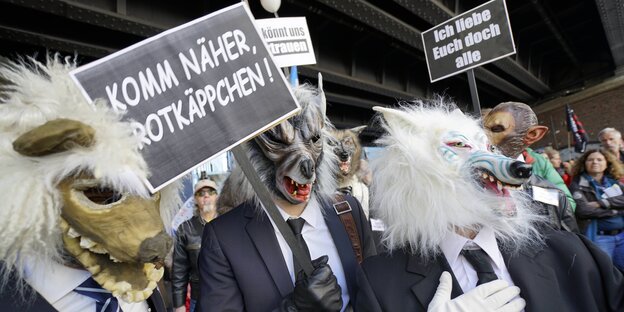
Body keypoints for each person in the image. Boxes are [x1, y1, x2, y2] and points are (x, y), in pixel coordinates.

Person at [355, 103, 623, 312]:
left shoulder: (572, 253)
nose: (486, 154)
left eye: (485, 146)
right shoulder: (379, 281)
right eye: (460, 145)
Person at [197, 76, 376, 312]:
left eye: (312, 139)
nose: (306, 161)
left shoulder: (348, 211)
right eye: (279, 142)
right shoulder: (223, 238)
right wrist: (293, 309)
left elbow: (374, 295)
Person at [483, 102, 578, 231]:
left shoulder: (552, 191)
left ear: (533, 134)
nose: (484, 137)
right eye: (480, 130)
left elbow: (569, 240)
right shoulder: (463, 182)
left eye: (496, 129)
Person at [569, 149, 624, 270]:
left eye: (599, 159)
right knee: (605, 271)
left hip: (622, 235)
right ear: (584, 163)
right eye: (590, 159)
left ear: (607, 163)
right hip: (599, 237)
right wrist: (616, 211)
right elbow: (583, 211)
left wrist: (602, 203)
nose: (595, 162)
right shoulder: (577, 185)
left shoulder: (613, 182)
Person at [172, 179, 219, 312]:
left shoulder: (227, 223)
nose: (206, 195)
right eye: (201, 193)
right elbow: (179, 270)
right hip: (198, 299)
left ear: (217, 196)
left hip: (227, 297)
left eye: (211, 191)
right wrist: (179, 304)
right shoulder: (185, 228)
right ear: (195, 199)